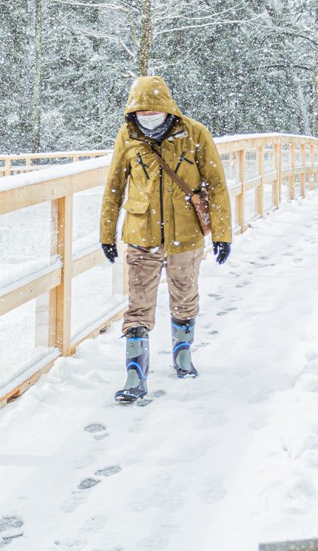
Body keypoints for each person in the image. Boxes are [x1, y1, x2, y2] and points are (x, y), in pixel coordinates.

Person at [99, 75, 232, 403]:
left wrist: (223, 234)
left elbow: (216, 186)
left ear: (167, 109)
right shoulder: (127, 137)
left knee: (184, 296)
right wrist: (107, 233)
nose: (148, 120)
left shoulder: (195, 134)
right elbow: (114, 185)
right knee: (138, 304)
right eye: (141, 114)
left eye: (153, 113)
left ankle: (182, 352)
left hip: (185, 236)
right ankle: (135, 372)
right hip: (142, 235)